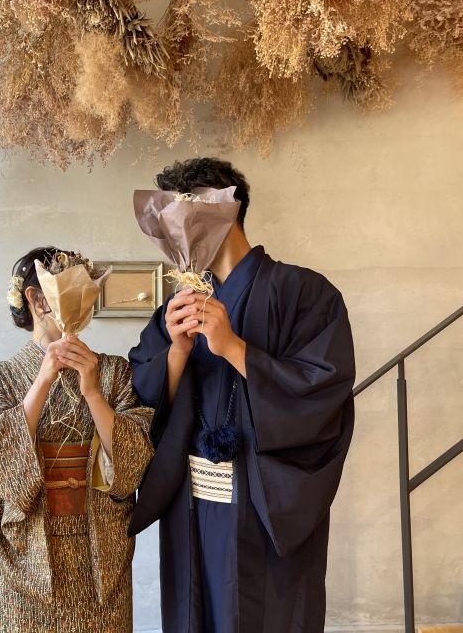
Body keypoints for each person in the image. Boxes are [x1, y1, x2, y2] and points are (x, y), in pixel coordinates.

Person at [128, 158, 356, 632]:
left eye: (183, 218)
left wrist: (234, 348)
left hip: (262, 502)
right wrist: (176, 353)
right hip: (190, 500)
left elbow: (323, 391)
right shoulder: (177, 307)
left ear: (224, 211)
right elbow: (140, 399)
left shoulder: (305, 292)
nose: (177, 234)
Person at [0, 246, 154, 633]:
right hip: (23, 555)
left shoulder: (113, 373)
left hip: (99, 556)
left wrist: (93, 392)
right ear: (36, 298)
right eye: (69, 287)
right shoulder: (1, 377)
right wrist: (43, 379)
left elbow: (134, 461)